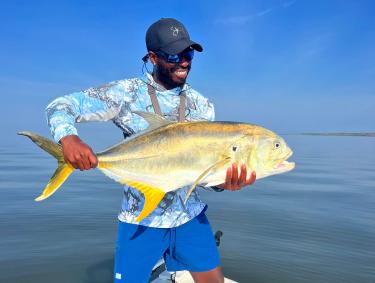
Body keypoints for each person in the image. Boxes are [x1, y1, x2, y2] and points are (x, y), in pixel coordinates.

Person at [45, 18, 256, 283]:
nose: (184, 61)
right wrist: (68, 138)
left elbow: (202, 171)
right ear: (153, 58)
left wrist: (224, 183)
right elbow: (61, 105)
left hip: (189, 217)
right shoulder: (126, 94)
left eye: (188, 53)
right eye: (174, 55)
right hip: (140, 220)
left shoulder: (202, 106)